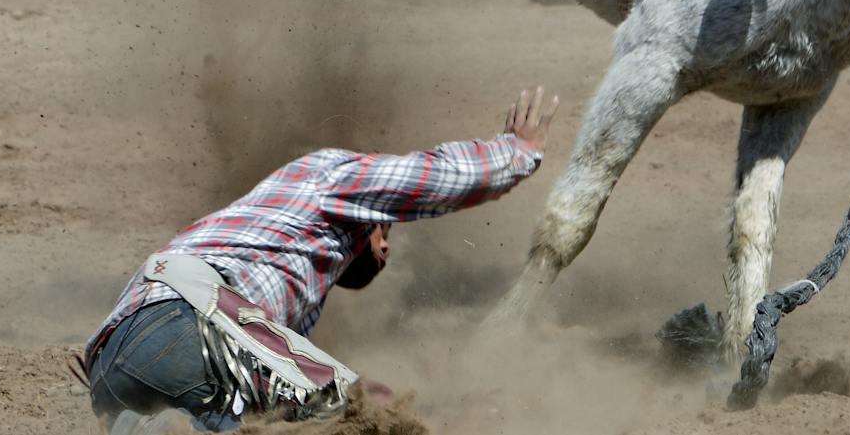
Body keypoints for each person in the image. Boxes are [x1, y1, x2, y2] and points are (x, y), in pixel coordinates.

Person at [82, 87, 559, 433]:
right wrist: (516, 153)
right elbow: (426, 177)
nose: (386, 249)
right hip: (186, 329)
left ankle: (158, 428)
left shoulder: (251, 248)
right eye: (384, 229)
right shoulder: (329, 177)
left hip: (112, 372)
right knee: (368, 417)